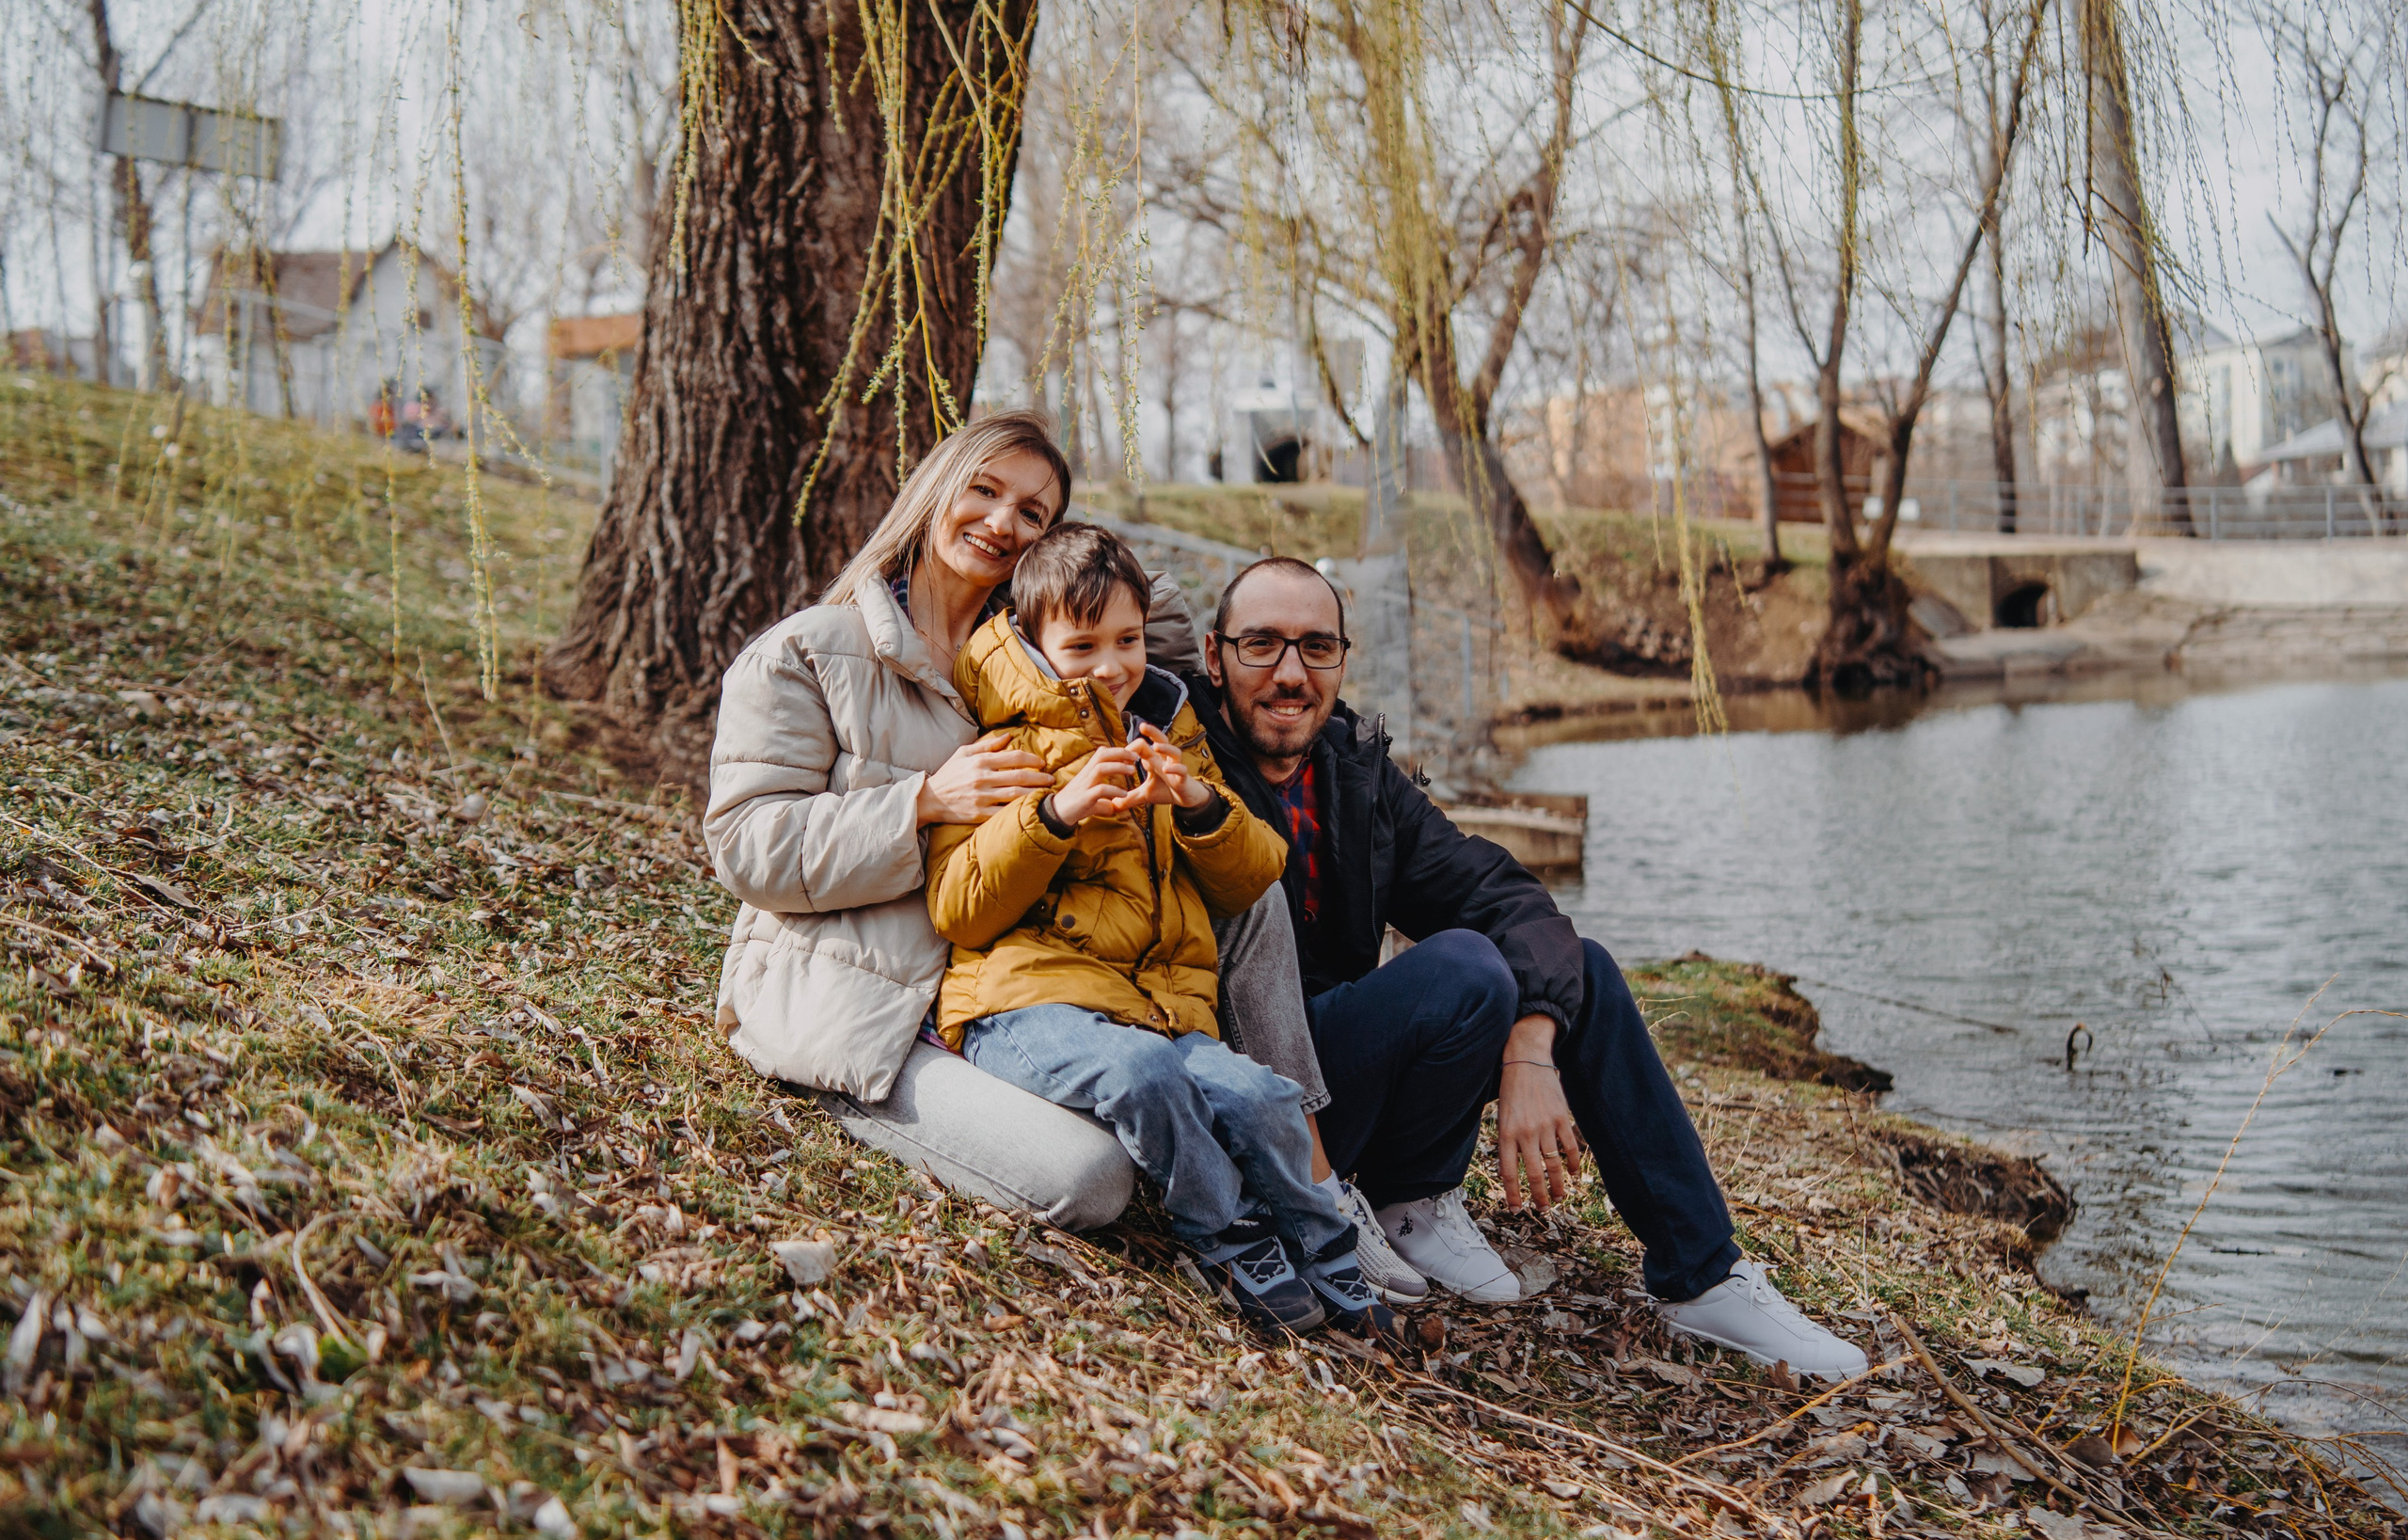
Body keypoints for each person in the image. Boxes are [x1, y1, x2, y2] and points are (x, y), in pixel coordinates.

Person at [1180, 556, 1870, 1379]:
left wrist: (1531, 1046)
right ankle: (1395, 1195)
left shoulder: (1351, 770)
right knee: (1467, 969)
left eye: (1316, 647)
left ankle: (1702, 1276)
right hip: (1250, 1099)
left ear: (1341, 659)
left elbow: (1502, 892)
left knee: (1581, 968)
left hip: (1351, 1082)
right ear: (1215, 657)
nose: (1291, 673)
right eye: (1261, 645)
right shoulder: (1182, 764)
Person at [703, 413, 1327, 1233]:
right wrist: (921, 800)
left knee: (1247, 886)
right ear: (936, 488)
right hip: (873, 1002)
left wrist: (1084, 591)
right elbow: (748, 846)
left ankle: (1316, 1174)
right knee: (1091, 1178)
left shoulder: (1037, 651)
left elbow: (1151, 614)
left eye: (1034, 513)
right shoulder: (813, 651)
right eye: (985, 490)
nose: (1004, 523)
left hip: (1021, 983)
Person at [924, 526, 1391, 1339]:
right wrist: (1055, 815)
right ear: (1034, 643)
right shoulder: (1005, 747)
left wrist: (1200, 806)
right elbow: (959, 907)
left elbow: (1255, 876)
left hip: (1154, 1008)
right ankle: (1227, 1233)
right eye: (1084, 644)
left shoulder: (1166, 732)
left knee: (1259, 1092)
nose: (1113, 665)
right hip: (1021, 1009)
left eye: (1130, 639)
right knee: (1143, 1072)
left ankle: (1328, 1245)